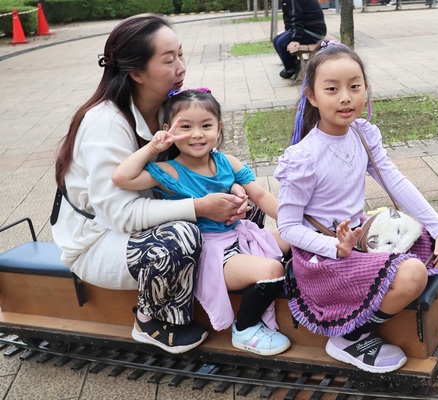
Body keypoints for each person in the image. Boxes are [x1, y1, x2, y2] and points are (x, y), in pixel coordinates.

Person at [52, 14, 251, 355]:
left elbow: (200, 159)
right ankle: (151, 319)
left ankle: (240, 267)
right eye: (168, 59)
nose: (181, 66)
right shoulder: (105, 123)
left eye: (181, 54)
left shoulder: (166, 109)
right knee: (181, 235)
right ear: (138, 73)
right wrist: (200, 206)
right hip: (99, 238)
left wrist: (231, 186)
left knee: (245, 201)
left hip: (147, 219)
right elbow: (120, 215)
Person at [273, 41, 438, 373]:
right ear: (312, 97)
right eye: (332, 89)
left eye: (354, 86)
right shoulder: (303, 157)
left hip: (359, 239)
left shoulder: (361, 134)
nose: (345, 97)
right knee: (414, 274)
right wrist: (335, 247)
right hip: (323, 258)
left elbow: (396, 182)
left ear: (365, 89)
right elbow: (288, 227)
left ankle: (380, 303)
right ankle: (349, 334)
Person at [111, 88, 292, 356]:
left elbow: (261, 195)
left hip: (240, 236)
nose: (196, 134)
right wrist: (154, 147)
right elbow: (121, 178)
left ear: (219, 128)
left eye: (206, 125)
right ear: (168, 130)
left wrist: (296, 226)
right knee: (272, 270)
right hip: (210, 254)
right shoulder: (169, 170)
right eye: (185, 127)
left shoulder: (226, 162)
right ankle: (245, 329)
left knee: (293, 238)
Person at [272, 0, 327, 79]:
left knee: (281, 42)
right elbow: (288, 17)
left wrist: (295, 39)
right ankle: (292, 65)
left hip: (313, 32)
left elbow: (297, 18)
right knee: (276, 40)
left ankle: (292, 67)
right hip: (304, 29)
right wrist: (288, 33)